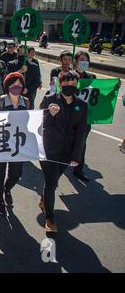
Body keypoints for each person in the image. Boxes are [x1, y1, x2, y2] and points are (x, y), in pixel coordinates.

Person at [39, 70, 88, 233]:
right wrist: (50, 115)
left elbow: (81, 133)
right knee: (52, 183)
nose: (70, 87)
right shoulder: (49, 99)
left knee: (52, 181)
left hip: (67, 152)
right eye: (66, 84)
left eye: (73, 84)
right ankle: (50, 219)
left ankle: (44, 198)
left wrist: (77, 156)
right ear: (60, 85)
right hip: (48, 150)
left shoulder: (82, 106)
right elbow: (38, 124)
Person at [0, 72, 30, 215]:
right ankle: (0, 198)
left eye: (19, 86)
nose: (16, 88)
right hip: (1, 145)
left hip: (18, 145)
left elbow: (31, 121)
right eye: (13, 86)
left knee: (16, 174)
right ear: (7, 86)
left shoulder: (26, 102)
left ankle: (7, 188)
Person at [72, 51, 97, 182]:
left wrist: (114, 87)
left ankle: (78, 169)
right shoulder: (68, 76)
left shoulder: (92, 77)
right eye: (81, 59)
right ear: (75, 61)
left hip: (85, 117)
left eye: (86, 60)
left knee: (81, 143)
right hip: (70, 116)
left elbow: (99, 94)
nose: (84, 62)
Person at [6, 45, 41, 109]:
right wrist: (19, 72)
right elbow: (7, 79)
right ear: (17, 52)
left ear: (27, 53)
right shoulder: (11, 64)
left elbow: (37, 82)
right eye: (20, 52)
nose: (22, 54)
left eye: (24, 52)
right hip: (13, 96)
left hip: (28, 97)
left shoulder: (34, 66)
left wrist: (28, 89)